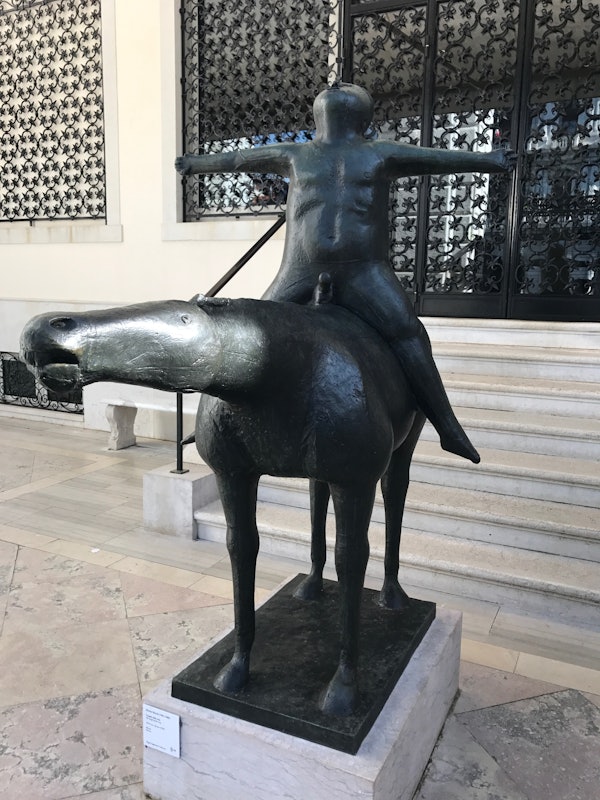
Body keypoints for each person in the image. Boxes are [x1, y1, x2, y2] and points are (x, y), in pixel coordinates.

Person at [176, 83, 516, 463]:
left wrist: (490, 160)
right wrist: (196, 164)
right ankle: (217, 413)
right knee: (254, 332)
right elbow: (240, 160)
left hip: (364, 272)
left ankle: (447, 426)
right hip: (300, 268)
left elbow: (436, 159)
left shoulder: (377, 154)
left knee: (408, 333)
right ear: (362, 119)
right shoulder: (297, 154)